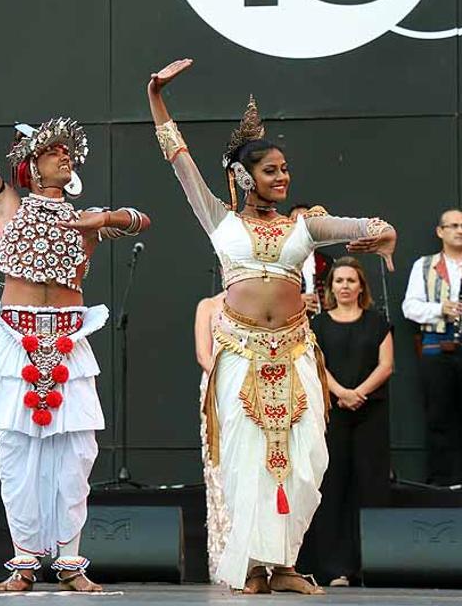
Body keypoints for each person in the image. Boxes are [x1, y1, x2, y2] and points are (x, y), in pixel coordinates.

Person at [148, 58, 396, 594]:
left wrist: (383, 233)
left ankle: (284, 565)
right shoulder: (219, 218)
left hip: (294, 352)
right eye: (271, 170)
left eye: (285, 169)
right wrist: (156, 98)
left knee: (305, 459)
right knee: (245, 462)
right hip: (238, 352)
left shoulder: (303, 226)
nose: (283, 177)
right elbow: (179, 159)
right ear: (243, 176)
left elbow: (362, 225)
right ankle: (255, 568)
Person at [0, 43, 151, 592]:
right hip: (16, 341)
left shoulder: (86, 217)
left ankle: (71, 561)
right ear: (31, 163)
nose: (65, 158)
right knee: (16, 457)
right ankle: (26, 559)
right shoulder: (7, 205)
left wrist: (102, 219)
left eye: (67, 153)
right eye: (53, 152)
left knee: (76, 457)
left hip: (71, 342)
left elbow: (141, 219)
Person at [304, 257, 392, 586]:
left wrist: (359, 393)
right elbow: (316, 364)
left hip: (370, 412)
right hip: (333, 414)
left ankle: (371, 565)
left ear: (360, 287)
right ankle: (334, 568)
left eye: (350, 281)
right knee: (333, 485)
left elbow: (386, 365)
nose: (344, 286)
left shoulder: (377, 322)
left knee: (369, 485)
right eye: (338, 281)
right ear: (330, 288)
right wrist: (341, 392)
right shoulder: (318, 325)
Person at [402, 209, 462, 485]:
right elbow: (410, 307)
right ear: (440, 231)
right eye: (453, 226)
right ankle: (440, 484)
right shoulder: (424, 265)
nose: (459, 230)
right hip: (437, 350)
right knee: (438, 418)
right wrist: (440, 309)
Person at [194, 292, 229, 582]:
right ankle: (224, 560)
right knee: (218, 470)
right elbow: (203, 354)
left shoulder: (257, 303)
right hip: (217, 388)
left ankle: (260, 561)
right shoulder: (208, 306)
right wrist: (225, 378)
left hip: (251, 388)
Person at [289, 204, 334, 316]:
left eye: (306, 220)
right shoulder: (278, 261)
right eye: (295, 220)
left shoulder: (328, 262)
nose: (300, 225)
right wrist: (295, 301)